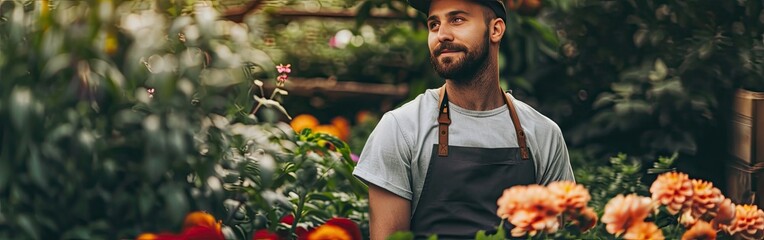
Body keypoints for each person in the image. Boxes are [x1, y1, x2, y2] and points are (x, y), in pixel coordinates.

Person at [352, 0, 575, 239]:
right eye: (434, 24)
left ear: (495, 30)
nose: (442, 35)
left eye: (457, 19)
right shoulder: (401, 128)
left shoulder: (544, 134)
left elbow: (564, 232)